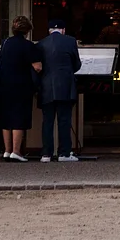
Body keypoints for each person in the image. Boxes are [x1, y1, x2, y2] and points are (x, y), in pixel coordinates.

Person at [0, 16, 41, 162]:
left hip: (4, 84)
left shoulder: (6, 43)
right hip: (21, 85)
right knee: (18, 117)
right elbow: (37, 67)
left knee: (6, 118)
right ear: (27, 30)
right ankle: (16, 151)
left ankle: (7, 150)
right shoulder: (28, 45)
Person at [37, 17, 81, 162]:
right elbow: (77, 64)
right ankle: (64, 153)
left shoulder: (41, 43)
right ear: (63, 30)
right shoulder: (70, 41)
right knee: (64, 120)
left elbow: (39, 66)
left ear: (49, 31)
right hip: (65, 85)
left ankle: (46, 154)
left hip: (46, 86)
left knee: (47, 121)